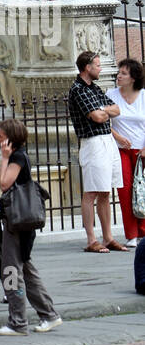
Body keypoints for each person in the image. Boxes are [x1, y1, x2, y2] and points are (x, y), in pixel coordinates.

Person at [0, 118, 62, 335]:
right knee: (26, 270)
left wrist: (4, 158)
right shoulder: (15, 156)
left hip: (17, 223)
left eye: (1, 133)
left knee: (11, 270)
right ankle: (49, 315)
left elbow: (4, 183)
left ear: (9, 137)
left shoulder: (18, 157)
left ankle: (17, 321)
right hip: (17, 222)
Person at [68, 50, 125, 252]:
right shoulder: (78, 90)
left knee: (105, 191)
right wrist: (103, 111)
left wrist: (103, 109)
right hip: (92, 142)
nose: (101, 68)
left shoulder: (95, 88)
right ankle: (92, 239)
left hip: (107, 141)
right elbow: (97, 117)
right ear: (87, 67)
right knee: (91, 191)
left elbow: (116, 110)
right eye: (98, 65)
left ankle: (108, 237)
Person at [107, 58, 145, 246]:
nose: (118, 76)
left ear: (133, 78)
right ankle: (131, 234)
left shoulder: (144, 96)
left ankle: (143, 232)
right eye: (119, 72)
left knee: (143, 190)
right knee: (125, 189)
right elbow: (106, 121)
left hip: (142, 150)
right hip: (121, 149)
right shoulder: (111, 95)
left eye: (123, 73)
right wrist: (118, 137)